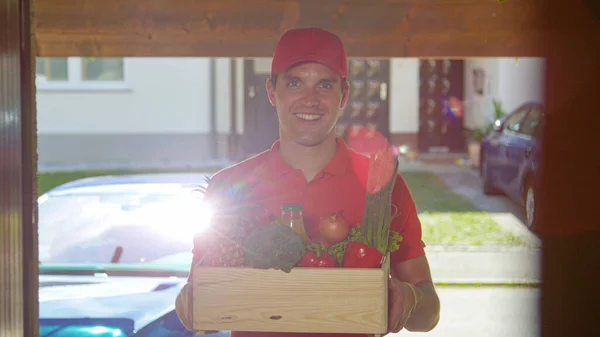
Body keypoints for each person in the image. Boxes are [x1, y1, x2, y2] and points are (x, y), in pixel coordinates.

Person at [175, 27, 440, 337]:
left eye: (325, 84)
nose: (310, 99)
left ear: (344, 94)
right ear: (272, 92)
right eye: (295, 83)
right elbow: (199, 301)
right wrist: (187, 301)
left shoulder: (383, 186)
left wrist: (411, 299)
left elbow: (429, 314)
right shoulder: (228, 189)